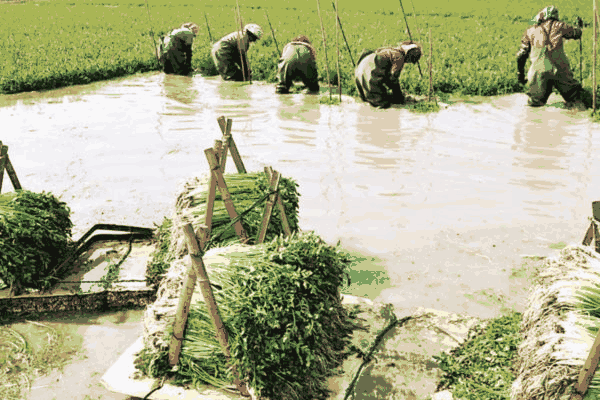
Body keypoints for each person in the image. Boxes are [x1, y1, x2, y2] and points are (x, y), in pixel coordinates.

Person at [516, 6, 585, 107]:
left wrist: (520, 74)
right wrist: (579, 26)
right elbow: (576, 33)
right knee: (575, 99)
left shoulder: (531, 30)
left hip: (538, 73)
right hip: (560, 70)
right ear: (556, 16)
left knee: (534, 105)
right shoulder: (560, 26)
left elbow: (521, 55)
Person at [354, 41, 422, 109]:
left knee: (366, 101)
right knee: (382, 104)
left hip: (360, 68)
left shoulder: (391, 50)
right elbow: (393, 79)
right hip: (370, 70)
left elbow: (387, 76)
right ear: (409, 55)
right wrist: (399, 96)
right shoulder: (399, 57)